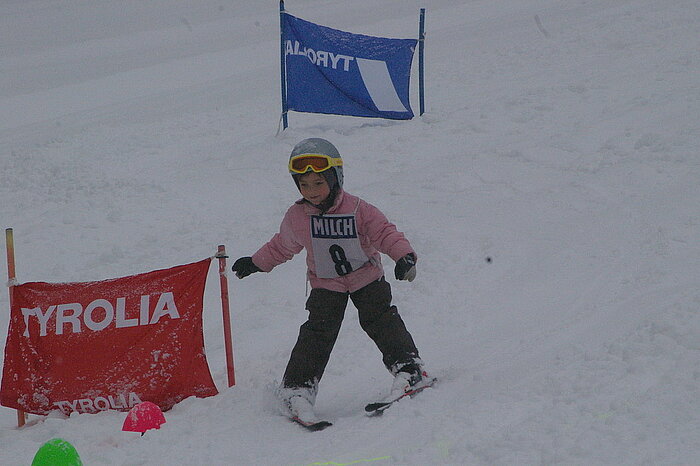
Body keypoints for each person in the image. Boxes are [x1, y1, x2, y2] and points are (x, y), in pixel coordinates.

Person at [232, 138, 430, 418]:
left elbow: (385, 233)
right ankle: (297, 390)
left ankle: (410, 369)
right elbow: (282, 245)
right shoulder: (298, 216)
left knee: (381, 320)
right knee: (317, 332)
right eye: (304, 185)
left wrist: (404, 256)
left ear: (335, 179)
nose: (311, 191)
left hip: (366, 278)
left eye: (318, 183)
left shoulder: (359, 209)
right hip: (326, 284)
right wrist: (256, 263)